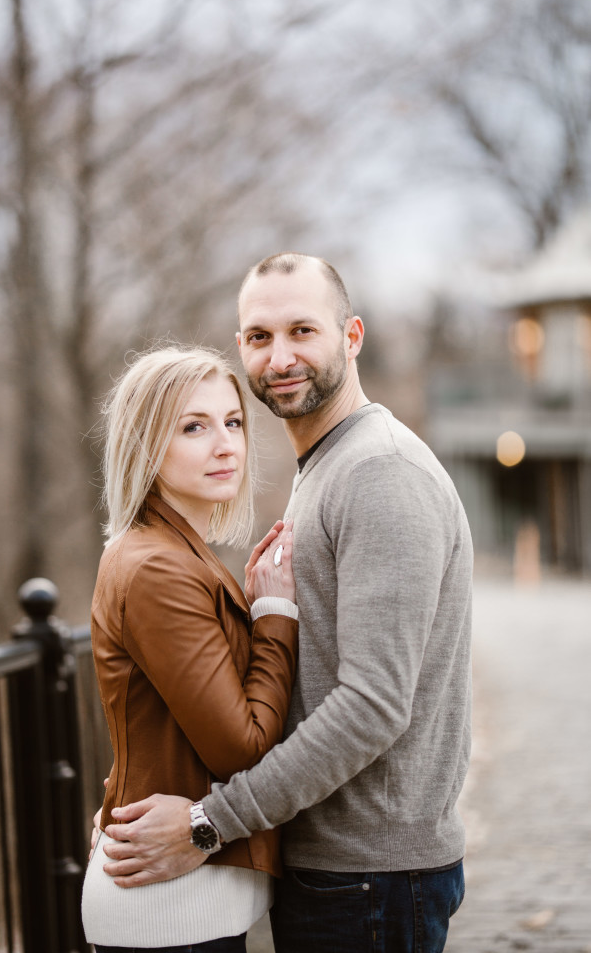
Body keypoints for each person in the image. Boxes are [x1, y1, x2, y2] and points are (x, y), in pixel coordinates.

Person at [96, 255, 473, 953]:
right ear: (241, 348)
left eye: (303, 330)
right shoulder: (327, 466)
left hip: (370, 873)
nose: (280, 357)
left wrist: (209, 822)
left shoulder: (379, 472)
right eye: (259, 337)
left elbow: (373, 706)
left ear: (351, 337)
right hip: (329, 865)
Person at [81, 345, 299, 952]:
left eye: (233, 422)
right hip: (168, 906)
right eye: (194, 427)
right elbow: (241, 749)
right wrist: (276, 616)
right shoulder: (157, 567)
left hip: (184, 899)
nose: (226, 445)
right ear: (146, 444)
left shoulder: (173, 553)